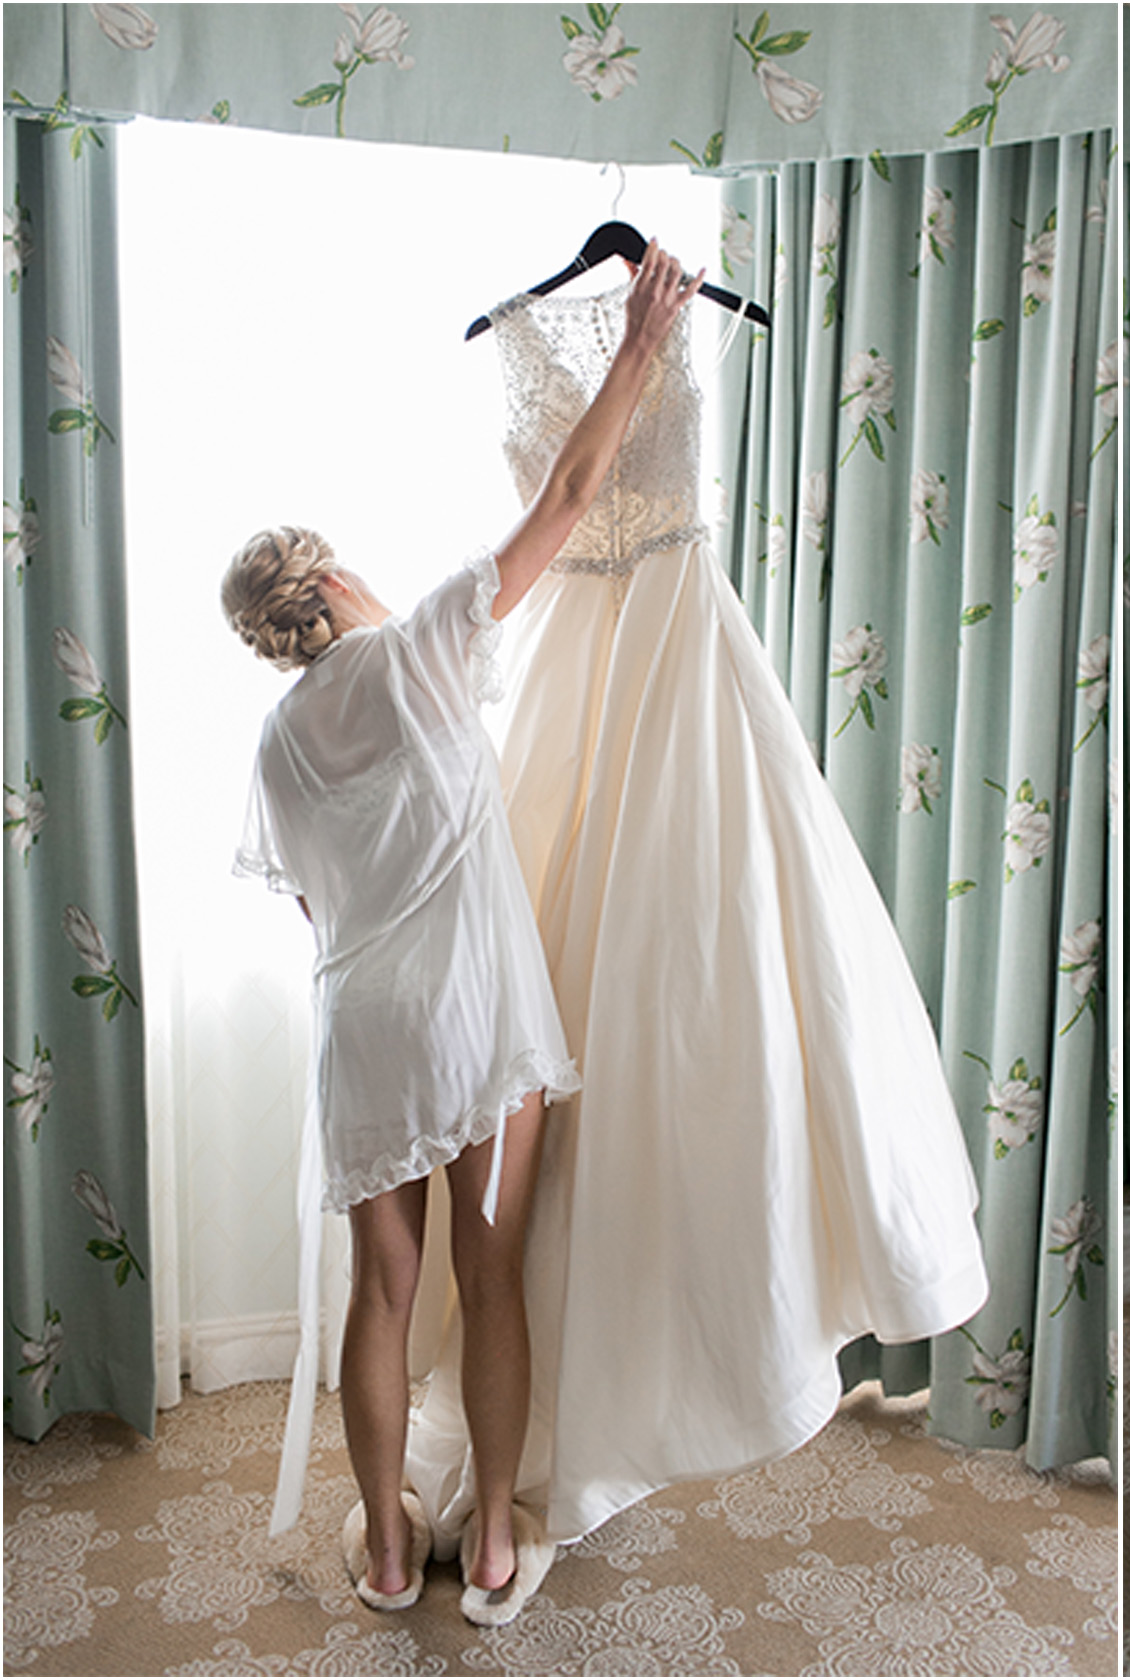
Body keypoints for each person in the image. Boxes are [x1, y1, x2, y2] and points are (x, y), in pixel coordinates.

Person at [401, 230, 990, 1558]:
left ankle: (643, 1387)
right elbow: (564, 491)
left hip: (682, 661)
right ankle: (534, 1425)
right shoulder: (522, 329)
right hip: (569, 663)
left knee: (696, 996)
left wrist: (651, 347)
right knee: (556, 993)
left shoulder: (697, 318)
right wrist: (639, 351)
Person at [227, 244, 698, 1619]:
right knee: (491, 1281)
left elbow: (318, 905)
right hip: (478, 1026)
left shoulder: (275, 743)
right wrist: (638, 348)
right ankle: (493, 1542)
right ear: (335, 582)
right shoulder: (421, 642)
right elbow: (568, 494)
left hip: (361, 1036)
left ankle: (384, 1550)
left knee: (386, 1291)